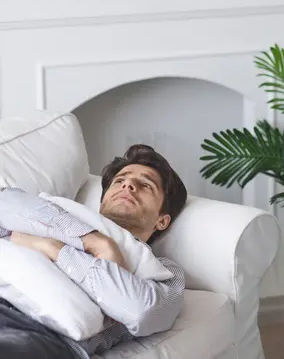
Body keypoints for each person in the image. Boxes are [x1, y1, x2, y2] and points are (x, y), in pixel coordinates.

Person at [0, 144, 188, 359]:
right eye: (120, 180)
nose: (128, 185)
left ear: (162, 220)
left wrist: (55, 248)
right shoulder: (63, 212)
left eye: (146, 185)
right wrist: (93, 240)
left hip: (38, 336)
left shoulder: (164, 271)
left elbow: (140, 311)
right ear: (103, 201)